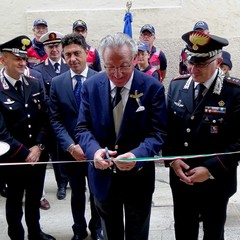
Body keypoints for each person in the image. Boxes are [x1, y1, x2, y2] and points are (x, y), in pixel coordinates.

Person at [75, 32, 167, 240]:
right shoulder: (91, 86)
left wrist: (138, 155)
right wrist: (94, 151)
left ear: (135, 59)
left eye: (124, 65)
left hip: (138, 179)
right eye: (110, 66)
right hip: (103, 177)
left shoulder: (153, 88)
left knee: (138, 232)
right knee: (110, 232)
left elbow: (158, 132)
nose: (117, 74)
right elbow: (82, 128)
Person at [164, 30, 240, 240]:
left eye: (201, 64)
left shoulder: (233, 91)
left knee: (213, 233)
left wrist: (210, 169)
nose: (194, 69)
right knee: (184, 232)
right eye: (191, 62)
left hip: (216, 179)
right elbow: (167, 130)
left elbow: (238, 141)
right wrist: (173, 160)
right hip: (182, 178)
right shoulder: (177, 86)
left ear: (218, 61)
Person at [0, 35, 55, 240]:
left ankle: (35, 232)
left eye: (24, 59)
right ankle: (16, 234)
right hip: (13, 157)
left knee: (34, 196)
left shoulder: (34, 82)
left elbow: (45, 117)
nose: (23, 63)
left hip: (37, 155)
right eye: (17, 59)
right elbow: (1, 132)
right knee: (14, 200)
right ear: (3, 60)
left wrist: (39, 146)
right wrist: (25, 153)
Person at [49, 33, 103, 240]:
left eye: (76, 53)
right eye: (68, 55)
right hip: (71, 152)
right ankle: (79, 229)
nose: (72, 59)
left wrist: (92, 148)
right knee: (77, 194)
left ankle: (96, 228)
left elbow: (104, 118)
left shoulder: (100, 79)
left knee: (96, 193)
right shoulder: (57, 83)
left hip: (95, 151)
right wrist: (71, 147)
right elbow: (55, 119)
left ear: (86, 53)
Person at [33, 31, 70, 201]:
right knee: (55, 153)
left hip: (69, 119)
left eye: (56, 45)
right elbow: (42, 97)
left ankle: (74, 180)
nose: (54, 49)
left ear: (62, 47)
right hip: (50, 120)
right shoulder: (38, 70)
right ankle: (61, 183)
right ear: (45, 48)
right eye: (50, 46)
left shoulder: (70, 66)